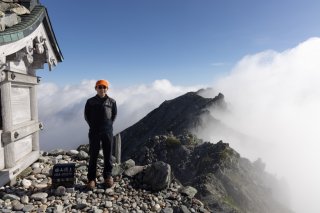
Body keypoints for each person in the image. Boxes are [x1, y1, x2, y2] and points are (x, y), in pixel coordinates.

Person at [84, 79, 117, 189]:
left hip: (107, 131)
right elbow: (86, 116)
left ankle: (108, 177)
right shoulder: (90, 101)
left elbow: (114, 116)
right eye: (99, 87)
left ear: (107, 89)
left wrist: (108, 126)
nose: (102, 89)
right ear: (96, 88)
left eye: (104, 87)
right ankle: (91, 179)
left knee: (108, 155)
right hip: (94, 131)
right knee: (93, 155)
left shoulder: (112, 102)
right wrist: (93, 126)